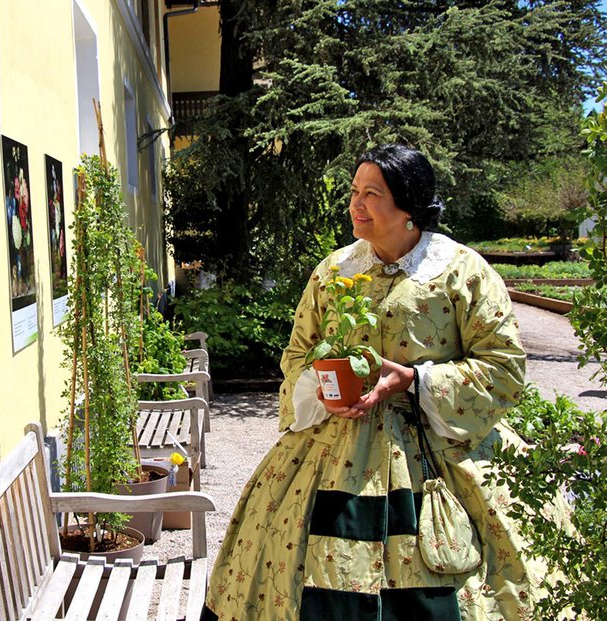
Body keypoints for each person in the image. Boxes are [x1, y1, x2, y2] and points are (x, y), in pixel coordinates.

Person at [203, 144, 569, 620]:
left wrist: (415, 380)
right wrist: (324, 392)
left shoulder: (461, 272)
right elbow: (297, 353)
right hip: (332, 447)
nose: (356, 204)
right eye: (355, 191)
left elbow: (504, 369)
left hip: (435, 447)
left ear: (410, 206)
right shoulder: (334, 271)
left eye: (371, 194)